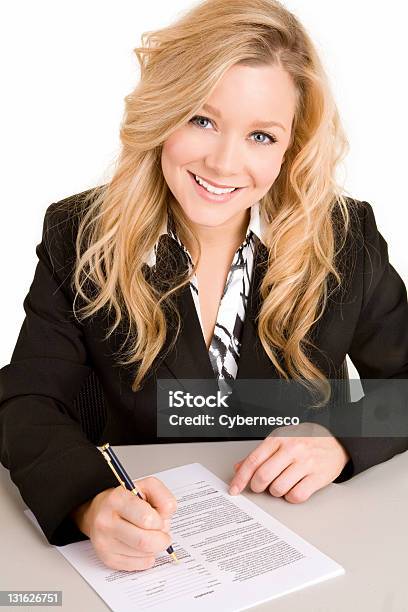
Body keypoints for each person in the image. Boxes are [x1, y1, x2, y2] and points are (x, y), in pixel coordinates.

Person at [1, 0, 407, 574]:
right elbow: (27, 399)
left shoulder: (345, 237)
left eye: (262, 136)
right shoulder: (82, 233)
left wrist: (343, 440)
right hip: (158, 556)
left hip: (321, 541)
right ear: (164, 112)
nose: (223, 163)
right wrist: (90, 504)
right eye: (202, 119)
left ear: (292, 145)